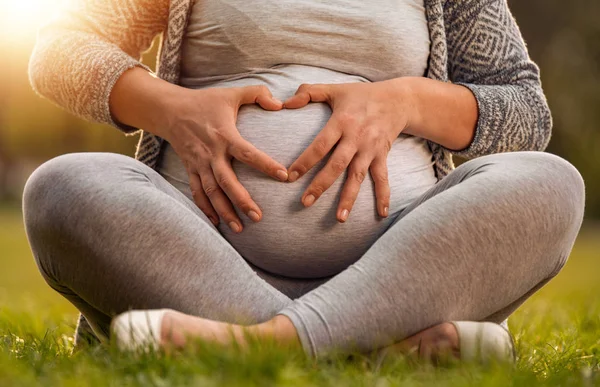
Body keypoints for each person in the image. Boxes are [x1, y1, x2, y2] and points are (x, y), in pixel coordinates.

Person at [24, 0, 585, 362]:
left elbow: (525, 110)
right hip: (199, 261)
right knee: (63, 185)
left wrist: (405, 100)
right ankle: (369, 350)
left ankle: (258, 346)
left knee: (551, 182)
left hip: (400, 268)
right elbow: (57, 49)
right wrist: (173, 110)